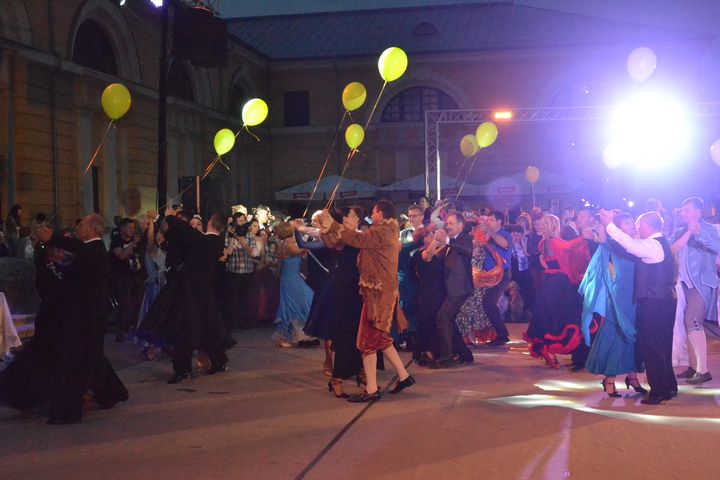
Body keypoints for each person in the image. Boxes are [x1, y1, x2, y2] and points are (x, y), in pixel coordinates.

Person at [317, 200, 414, 402]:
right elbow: (345, 239)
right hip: (375, 292)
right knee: (381, 340)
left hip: (377, 295)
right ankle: (404, 376)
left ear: (381, 212)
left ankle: (370, 389)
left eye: (374, 212)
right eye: (354, 215)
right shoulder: (387, 230)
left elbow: (356, 238)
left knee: (367, 341)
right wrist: (326, 225)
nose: (369, 215)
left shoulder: (380, 232)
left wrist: (329, 223)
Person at [37, 214, 129, 424]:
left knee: (75, 363)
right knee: (92, 357)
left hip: (86, 317)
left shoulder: (95, 249)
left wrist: (53, 237)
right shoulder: (90, 250)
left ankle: (68, 412)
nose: (78, 228)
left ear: (93, 229)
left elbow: (78, 249)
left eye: (81, 225)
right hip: (86, 316)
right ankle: (111, 393)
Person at [600, 209, 677, 405]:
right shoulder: (662, 242)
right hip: (664, 300)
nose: (637, 229)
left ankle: (659, 391)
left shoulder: (652, 244)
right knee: (662, 344)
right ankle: (668, 386)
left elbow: (630, 245)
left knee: (652, 345)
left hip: (654, 302)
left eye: (638, 225)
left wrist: (609, 224)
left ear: (647, 226)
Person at [579, 213, 647, 397]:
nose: (632, 224)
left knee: (633, 336)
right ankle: (609, 379)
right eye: (627, 222)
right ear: (617, 227)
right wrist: (604, 220)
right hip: (620, 297)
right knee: (616, 334)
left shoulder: (639, 244)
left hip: (636, 296)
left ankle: (632, 376)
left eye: (632, 221)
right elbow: (602, 238)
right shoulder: (613, 244)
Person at [163, 209, 230, 384]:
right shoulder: (214, 242)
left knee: (184, 330)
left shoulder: (206, 240)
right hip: (203, 292)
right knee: (207, 328)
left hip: (192, 292)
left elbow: (187, 232)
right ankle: (218, 361)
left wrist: (170, 216)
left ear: (210, 223)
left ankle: (183, 369)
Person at [524, 214, 590, 368]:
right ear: (555, 225)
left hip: (548, 280)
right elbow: (570, 248)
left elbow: (546, 262)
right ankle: (550, 350)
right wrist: (583, 238)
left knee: (548, 315)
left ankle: (548, 350)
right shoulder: (555, 241)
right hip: (559, 282)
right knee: (561, 315)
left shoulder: (543, 243)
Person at [671, 197, 720, 385]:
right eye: (682, 210)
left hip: (702, 283)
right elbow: (670, 249)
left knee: (692, 321)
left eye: (687, 210)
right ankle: (693, 366)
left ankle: (703, 370)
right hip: (683, 284)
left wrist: (699, 233)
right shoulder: (680, 231)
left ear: (698, 212)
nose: (683, 213)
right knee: (687, 323)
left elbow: (718, 247)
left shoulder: (710, 229)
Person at [423, 212, 474, 367]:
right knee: (449, 320)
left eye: (451, 223)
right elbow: (430, 257)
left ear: (460, 225)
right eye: (447, 223)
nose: (448, 226)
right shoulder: (451, 243)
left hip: (460, 288)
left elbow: (467, 250)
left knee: (443, 318)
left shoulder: (464, 239)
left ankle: (447, 357)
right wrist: (436, 241)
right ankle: (464, 354)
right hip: (452, 288)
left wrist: (446, 240)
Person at [273, 222, 314, 347]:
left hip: (290, 277)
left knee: (292, 305)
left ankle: (291, 336)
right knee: (303, 301)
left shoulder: (283, 243)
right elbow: (299, 251)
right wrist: (315, 246)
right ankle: (286, 338)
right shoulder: (288, 243)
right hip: (292, 279)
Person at [479, 211, 513, 346]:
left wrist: (489, 231)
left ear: (499, 222)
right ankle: (499, 333)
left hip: (502, 274)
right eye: (487, 220)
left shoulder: (504, 234)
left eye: (491, 220)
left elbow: (504, 244)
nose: (488, 222)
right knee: (488, 303)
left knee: (488, 302)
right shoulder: (487, 236)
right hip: (488, 275)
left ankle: (502, 334)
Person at [110, 218, 145, 342]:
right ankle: (120, 331)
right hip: (122, 276)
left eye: (133, 228)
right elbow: (122, 255)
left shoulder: (138, 242)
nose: (132, 230)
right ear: (122, 229)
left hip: (136, 275)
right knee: (124, 304)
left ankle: (134, 327)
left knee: (138, 303)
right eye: (129, 227)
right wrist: (132, 244)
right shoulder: (116, 242)